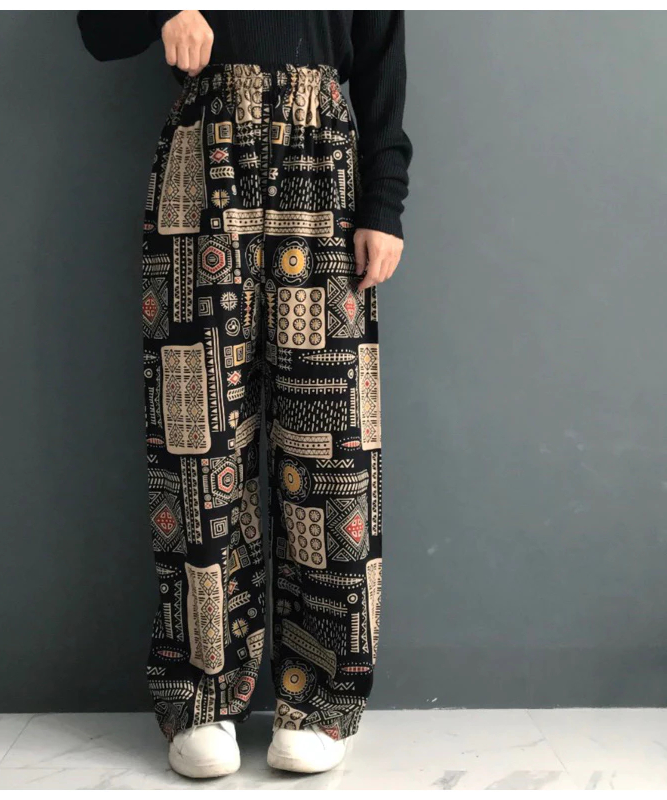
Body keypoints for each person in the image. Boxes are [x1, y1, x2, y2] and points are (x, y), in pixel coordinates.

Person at [76, 10, 412, 779]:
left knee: (331, 448)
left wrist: (384, 203)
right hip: (204, 159)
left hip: (322, 163)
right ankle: (202, 697)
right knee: (198, 443)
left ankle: (320, 699)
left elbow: (382, 58)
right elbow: (98, 29)